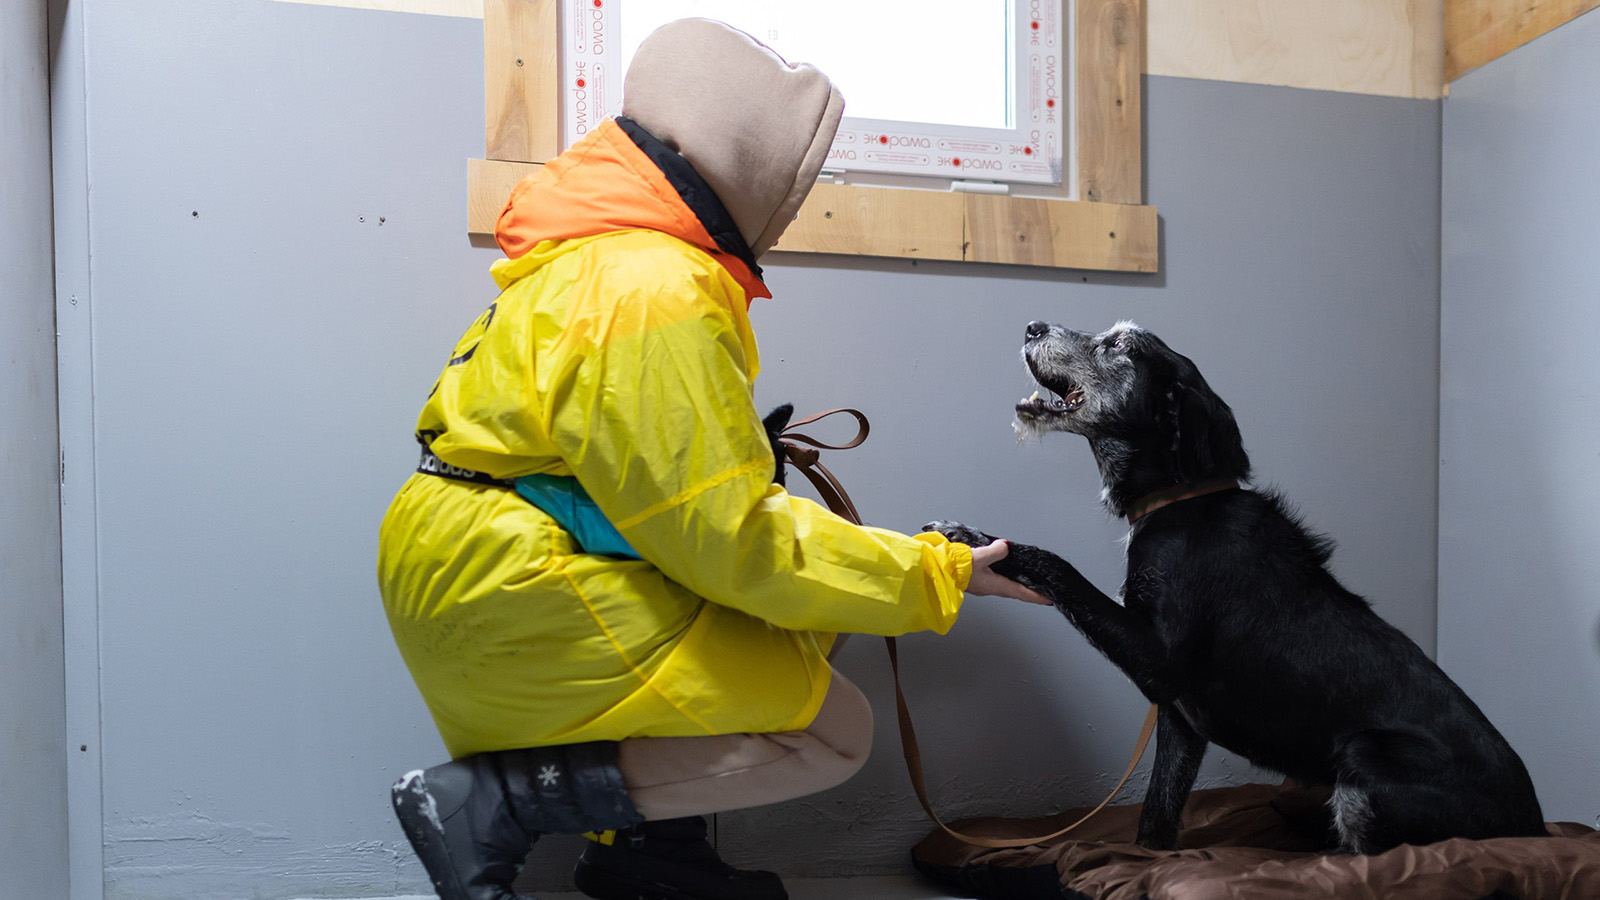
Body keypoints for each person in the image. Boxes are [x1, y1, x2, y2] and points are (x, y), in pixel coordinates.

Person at [378, 18, 1046, 900]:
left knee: (793, 621)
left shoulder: (591, 259)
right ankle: (494, 803)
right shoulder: (653, 286)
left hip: (476, 566)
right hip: (515, 583)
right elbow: (733, 542)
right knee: (828, 727)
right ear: (745, 163)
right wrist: (937, 575)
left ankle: (652, 862)